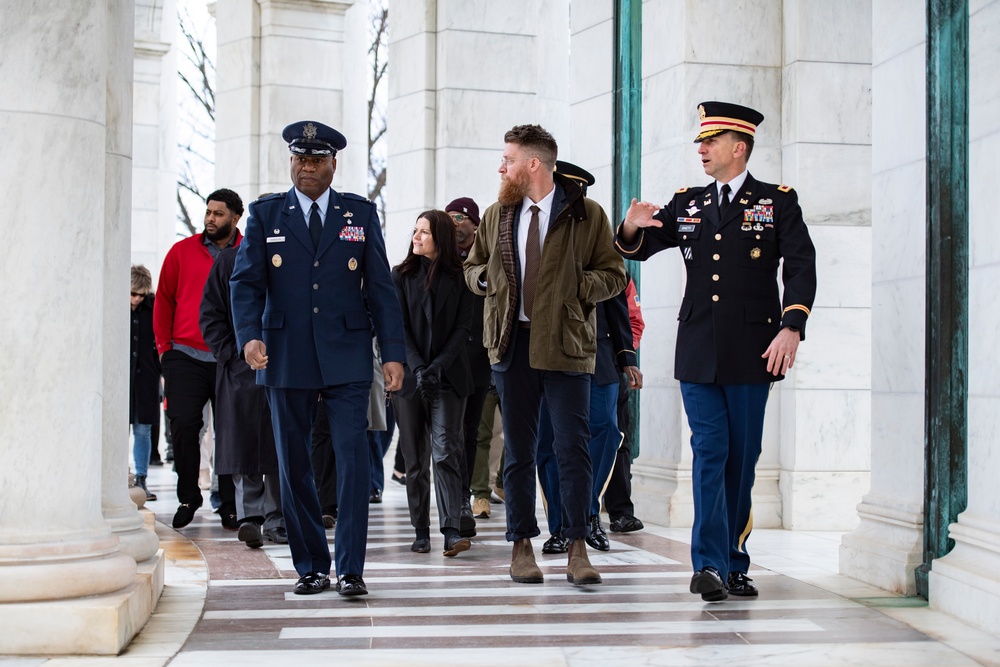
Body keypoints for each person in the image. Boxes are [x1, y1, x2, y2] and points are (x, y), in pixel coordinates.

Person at [615, 101, 817, 601]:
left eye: (710, 141)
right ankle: (706, 565)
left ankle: (733, 560)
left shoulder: (776, 202)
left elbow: (801, 265)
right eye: (700, 142)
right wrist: (632, 226)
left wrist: (792, 326)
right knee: (709, 453)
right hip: (699, 350)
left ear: (739, 147)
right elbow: (639, 248)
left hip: (754, 352)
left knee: (740, 462)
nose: (701, 149)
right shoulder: (689, 202)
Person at [230, 120, 405, 597]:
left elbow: (382, 292)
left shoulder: (359, 215)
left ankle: (350, 568)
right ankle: (310, 565)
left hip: (347, 356)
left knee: (351, 463)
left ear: (333, 164)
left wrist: (392, 354)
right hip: (285, 356)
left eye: (316, 159)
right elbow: (246, 284)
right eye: (299, 159)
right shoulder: (266, 215)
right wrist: (249, 337)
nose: (306, 167)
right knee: (293, 465)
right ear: (291, 162)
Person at [464, 124, 626, 586]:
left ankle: (577, 548)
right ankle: (521, 547)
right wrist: (484, 283)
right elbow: (473, 266)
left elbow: (614, 275)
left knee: (572, 450)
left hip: (567, 347)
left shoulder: (586, 214)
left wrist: (577, 289)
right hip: (511, 347)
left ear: (533, 164)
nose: (502, 166)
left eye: (508, 158)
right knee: (517, 453)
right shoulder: (498, 214)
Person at [535, 161, 642, 555]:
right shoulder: (532, 230)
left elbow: (616, 301)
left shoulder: (595, 234)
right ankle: (562, 525)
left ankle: (588, 512)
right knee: (548, 442)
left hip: (598, 356)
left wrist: (627, 357)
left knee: (604, 433)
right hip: (549, 353)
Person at [155, 188, 244, 529]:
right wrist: (165, 349)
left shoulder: (248, 252)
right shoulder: (181, 252)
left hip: (230, 358)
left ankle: (229, 504)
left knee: (230, 431)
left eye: (218, 214)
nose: (210, 218)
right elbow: (164, 300)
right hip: (184, 356)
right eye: (208, 212)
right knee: (184, 427)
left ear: (235, 218)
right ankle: (189, 495)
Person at [392, 210, 474, 556]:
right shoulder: (400, 275)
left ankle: (452, 530)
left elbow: (463, 329)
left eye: (424, 232)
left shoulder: (462, 277)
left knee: (445, 452)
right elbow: (399, 328)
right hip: (411, 379)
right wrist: (419, 368)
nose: (416, 237)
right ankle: (420, 530)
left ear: (439, 237)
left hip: (449, 377)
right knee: (415, 459)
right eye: (415, 231)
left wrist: (437, 367)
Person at [199, 245, 287, 549]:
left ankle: (277, 517)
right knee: (245, 441)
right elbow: (211, 313)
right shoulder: (228, 260)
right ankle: (251, 516)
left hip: (284, 363)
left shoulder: (291, 254)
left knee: (280, 442)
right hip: (240, 367)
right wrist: (231, 355)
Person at [445, 196, 489, 531]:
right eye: (449, 218)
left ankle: (464, 499)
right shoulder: (440, 258)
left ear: (474, 223)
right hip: (447, 359)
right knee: (448, 434)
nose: (454, 223)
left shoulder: (487, 256)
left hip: (480, 358)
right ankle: (453, 502)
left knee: (471, 433)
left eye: (460, 217)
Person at [604, 274, 646, 534]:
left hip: (611, 367)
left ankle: (620, 512)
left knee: (618, 440)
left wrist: (624, 356)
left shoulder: (621, 275)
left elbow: (634, 322)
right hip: (570, 369)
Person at [129, 265, 160, 502]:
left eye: (141, 294)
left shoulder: (153, 307)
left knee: (143, 429)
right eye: (132, 293)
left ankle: (141, 477)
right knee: (119, 428)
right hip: (122, 379)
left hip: (146, 378)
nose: (137, 299)